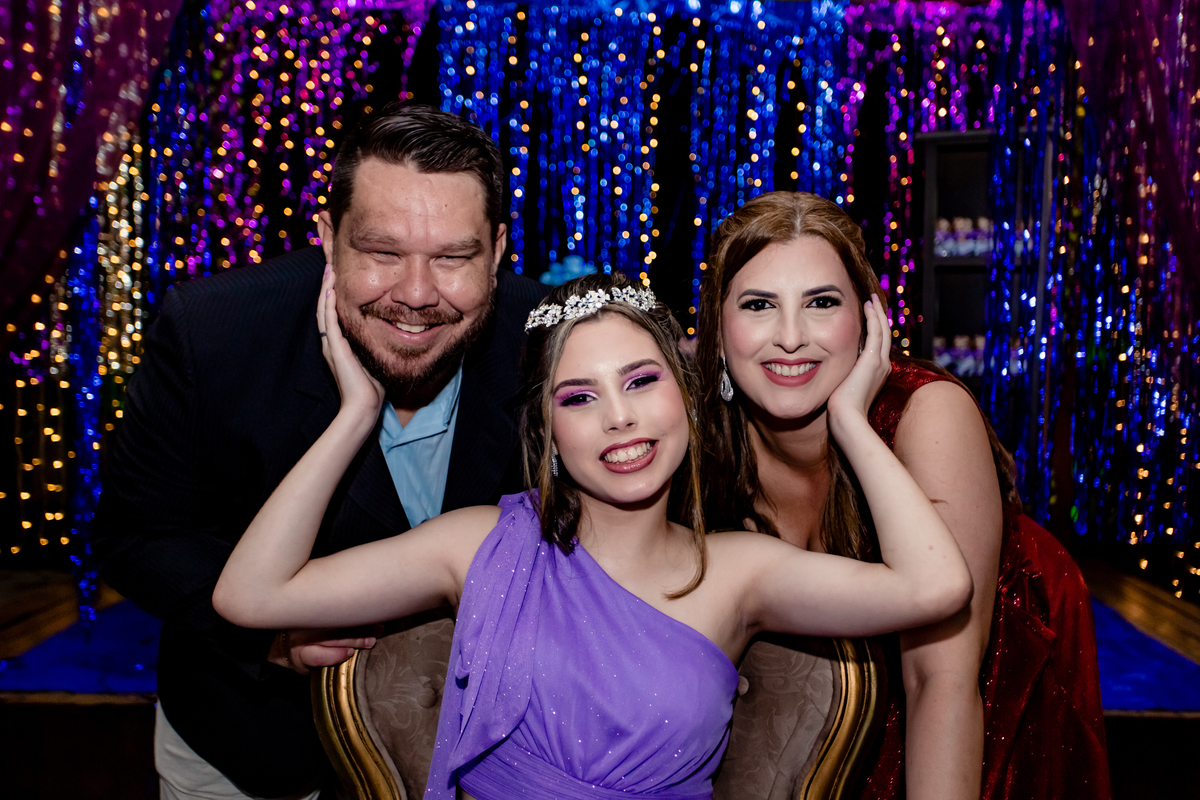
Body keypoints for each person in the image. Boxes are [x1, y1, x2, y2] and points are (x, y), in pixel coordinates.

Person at [212, 270, 974, 800]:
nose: (620, 418)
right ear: (547, 434)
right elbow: (250, 594)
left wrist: (849, 420)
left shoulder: (740, 571)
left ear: (686, 396)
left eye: (642, 381)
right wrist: (356, 414)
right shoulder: (476, 546)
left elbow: (935, 586)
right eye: (579, 397)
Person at [92, 103, 547, 800]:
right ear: (329, 239)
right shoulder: (213, 332)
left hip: (491, 748)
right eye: (383, 253)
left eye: (453, 257)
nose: (416, 295)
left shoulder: (550, 341)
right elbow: (137, 535)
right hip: (254, 741)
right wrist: (269, 637)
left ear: (498, 249)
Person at [695, 191, 1110, 800]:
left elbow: (940, 681)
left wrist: (852, 424)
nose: (790, 337)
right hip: (828, 732)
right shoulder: (697, 434)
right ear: (716, 326)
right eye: (759, 305)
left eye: (821, 303)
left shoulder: (928, 415)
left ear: (869, 319)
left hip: (984, 712)